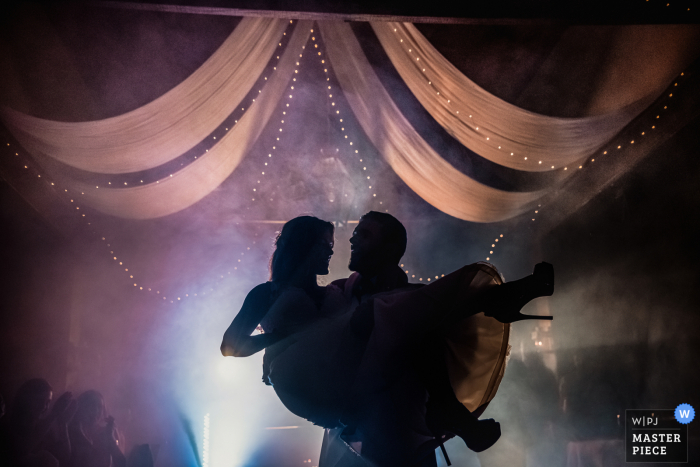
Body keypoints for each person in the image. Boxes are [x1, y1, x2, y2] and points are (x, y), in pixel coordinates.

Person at [221, 215, 553, 466]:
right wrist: (277, 339)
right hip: (302, 377)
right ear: (306, 246)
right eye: (326, 246)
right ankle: (493, 300)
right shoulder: (268, 293)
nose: (332, 250)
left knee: (397, 313)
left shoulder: (335, 291)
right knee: (378, 311)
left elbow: (397, 306)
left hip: (339, 373)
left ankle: (490, 308)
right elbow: (230, 346)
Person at [0, 378, 76, 467]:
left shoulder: (45, 428)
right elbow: (21, 451)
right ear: (26, 399)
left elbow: (64, 458)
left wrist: (64, 424)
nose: (44, 406)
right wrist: (54, 414)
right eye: (40, 400)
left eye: (48, 402)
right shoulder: (7, 426)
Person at [67, 390, 126, 467]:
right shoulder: (72, 430)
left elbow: (121, 463)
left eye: (99, 407)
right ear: (82, 407)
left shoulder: (106, 432)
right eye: (92, 405)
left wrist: (111, 438)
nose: (96, 411)